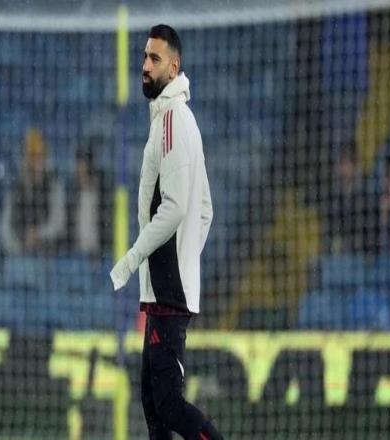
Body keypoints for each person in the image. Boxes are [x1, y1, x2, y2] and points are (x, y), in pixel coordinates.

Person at [110, 25, 222, 440]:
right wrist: (185, 258)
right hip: (167, 284)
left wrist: (132, 258)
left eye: (154, 59)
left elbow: (175, 207)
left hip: (166, 286)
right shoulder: (172, 119)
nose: (144, 65)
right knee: (153, 402)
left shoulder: (173, 120)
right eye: (144, 56)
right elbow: (205, 209)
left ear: (174, 68)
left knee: (168, 403)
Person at [0, 127, 66, 255]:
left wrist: (38, 235)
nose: (38, 161)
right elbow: (5, 229)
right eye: (34, 157)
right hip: (20, 255)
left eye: (41, 156)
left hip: (48, 255)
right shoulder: (16, 188)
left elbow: (58, 224)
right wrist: (20, 244)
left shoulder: (54, 186)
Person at [66, 147, 101, 255]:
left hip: (98, 254)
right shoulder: (72, 194)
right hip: (76, 254)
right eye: (79, 165)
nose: (80, 170)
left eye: (83, 165)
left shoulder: (100, 194)